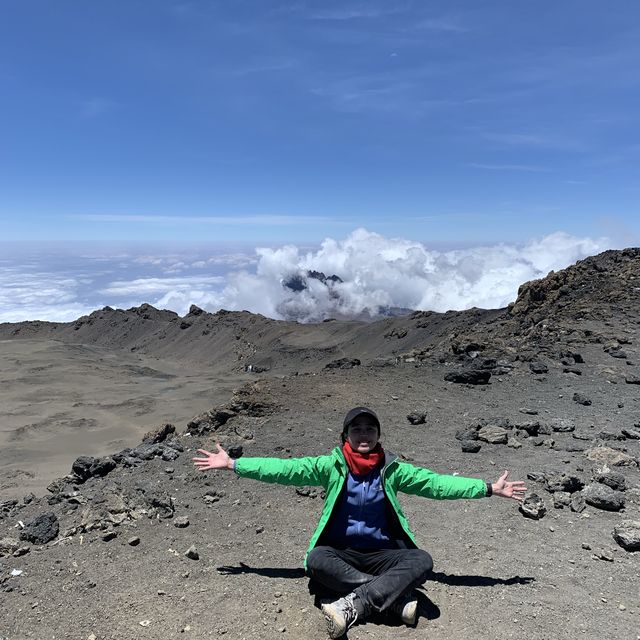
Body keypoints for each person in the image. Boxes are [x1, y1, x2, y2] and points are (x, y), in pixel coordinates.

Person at [193, 406, 527, 638]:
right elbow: (285, 469)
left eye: (370, 429)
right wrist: (235, 465)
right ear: (346, 435)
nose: (363, 434)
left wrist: (486, 488)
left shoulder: (394, 470)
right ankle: (394, 600)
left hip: (384, 553)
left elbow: (437, 484)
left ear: (379, 434)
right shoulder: (330, 466)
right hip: (340, 552)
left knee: (422, 560)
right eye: (357, 429)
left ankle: (355, 604)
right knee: (315, 560)